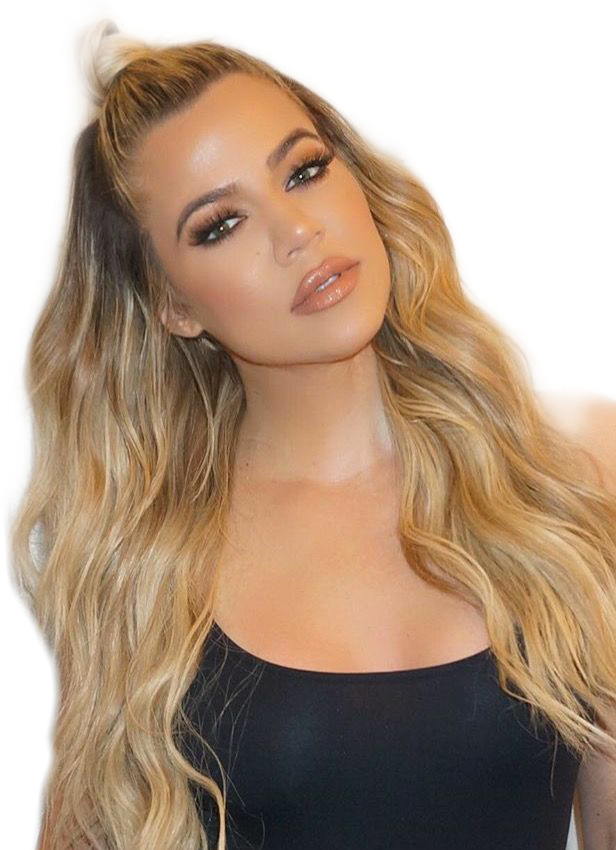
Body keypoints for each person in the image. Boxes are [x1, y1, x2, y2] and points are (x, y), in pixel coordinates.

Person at [7, 16, 616, 850]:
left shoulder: (579, 459)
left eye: (303, 170)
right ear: (173, 305)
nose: (298, 232)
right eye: (220, 224)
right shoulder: (148, 557)